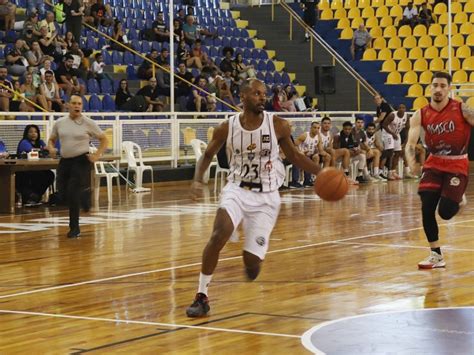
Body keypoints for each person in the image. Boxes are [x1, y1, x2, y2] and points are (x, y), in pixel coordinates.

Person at [185, 78, 322, 317]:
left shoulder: (278, 125)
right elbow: (207, 155)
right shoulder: (227, 127)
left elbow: (296, 157)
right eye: (257, 94)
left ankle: (253, 254)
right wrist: (198, 180)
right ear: (244, 96)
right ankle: (201, 295)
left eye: (264, 94)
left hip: (266, 198)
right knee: (219, 234)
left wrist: (323, 173)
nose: (263, 98)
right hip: (237, 189)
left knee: (251, 265)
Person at [405, 71, 474, 269]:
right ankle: (436, 255)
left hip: (456, 163)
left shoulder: (462, 110)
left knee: (444, 213)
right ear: (430, 87)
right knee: (426, 207)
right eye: (435, 85)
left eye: (443, 86)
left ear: (449, 88)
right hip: (434, 163)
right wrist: (411, 162)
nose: (438, 89)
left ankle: (458, 199)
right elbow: (410, 143)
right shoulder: (421, 114)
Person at [48, 95, 108, 238]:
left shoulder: (88, 123)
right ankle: (85, 194)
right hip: (65, 160)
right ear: (68, 105)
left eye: (79, 104)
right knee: (62, 192)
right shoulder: (60, 122)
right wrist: (51, 148)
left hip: (81, 160)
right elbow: (51, 139)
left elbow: (104, 139)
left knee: (73, 191)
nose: (77, 106)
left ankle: (74, 228)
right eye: (74, 103)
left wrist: (97, 155)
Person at [16, 125, 55, 206]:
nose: (33, 134)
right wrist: (44, 150)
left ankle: (36, 196)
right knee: (37, 176)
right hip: (24, 169)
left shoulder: (40, 142)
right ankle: (30, 196)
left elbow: (47, 151)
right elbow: (31, 150)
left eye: (36, 132)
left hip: (37, 168)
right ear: (26, 133)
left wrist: (47, 150)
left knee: (50, 174)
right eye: (31, 132)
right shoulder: (24, 142)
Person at [382, 104, 408, 180]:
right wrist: (392, 133)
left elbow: (407, 128)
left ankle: (393, 171)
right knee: (390, 151)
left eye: (403, 108)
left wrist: (406, 140)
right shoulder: (392, 115)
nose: (401, 109)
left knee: (398, 152)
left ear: (405, 109)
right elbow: (384, 125)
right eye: (400, 108)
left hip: (396, 133)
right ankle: (389, 172)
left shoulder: (407, 116)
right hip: (387, 133)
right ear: (397, 109)